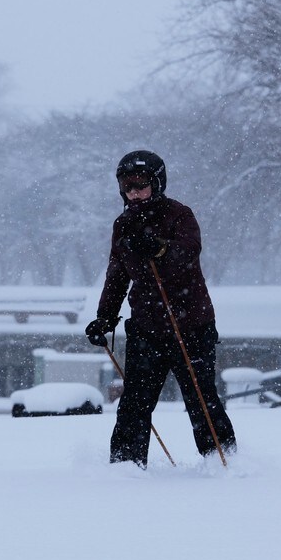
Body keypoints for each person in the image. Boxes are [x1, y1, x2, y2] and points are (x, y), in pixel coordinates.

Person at [85, 150, 236, 468]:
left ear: (157, 183)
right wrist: (105, 317)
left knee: (200, 399)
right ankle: (126, 467)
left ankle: (224, 463)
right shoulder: (123, 225)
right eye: (127, 187)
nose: (134, 193)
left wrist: (160, 248)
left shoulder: (179, 215)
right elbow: (117, 274)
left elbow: (189, 251)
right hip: (147, 328)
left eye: (140, 185)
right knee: (133, 404)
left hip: (190, 326)